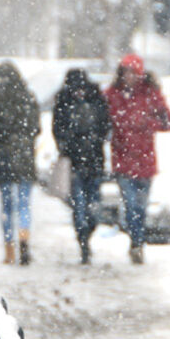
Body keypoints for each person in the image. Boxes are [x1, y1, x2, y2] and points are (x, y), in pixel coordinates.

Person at [103, 54, 170, 264]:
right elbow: (103, 121)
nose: (129, 77)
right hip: (123, 160)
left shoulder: (150, 94)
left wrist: (147, 124)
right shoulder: (112, 94)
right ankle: (136, 241)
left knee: (140, 207)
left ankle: (137, 241)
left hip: (145, 161)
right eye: (126, 72)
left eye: (133, 72)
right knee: (131, 205)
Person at [0, 61, 40, 265]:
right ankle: (24, 237)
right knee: (24, 204)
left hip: (4, 157)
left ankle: (9, 250)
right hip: (24, 156)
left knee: (7, 205)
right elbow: (36, 128)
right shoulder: (28, 97)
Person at [54, 68, 111, 265]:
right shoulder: (65, 102)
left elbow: (105, 125)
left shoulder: (95, 100)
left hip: (92, 161)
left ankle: (86, 234)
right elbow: (58, 130)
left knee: (92, 206)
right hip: (77, 163)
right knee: (80, 206)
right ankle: (83, 239)